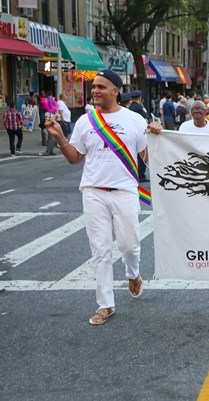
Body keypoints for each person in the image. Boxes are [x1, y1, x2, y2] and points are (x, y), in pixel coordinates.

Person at [44, 69, 148, 326]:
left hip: (125, 192)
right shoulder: (85, 122)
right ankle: (105, 304)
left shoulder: (134, 120)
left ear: (116, 91)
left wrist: (158, 135)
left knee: (129, 245)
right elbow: (75, 157)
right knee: (100, 250)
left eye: (101, 86)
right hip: (93, 193)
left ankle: (133, 273)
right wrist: (59, 138)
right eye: (94, 87)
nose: (95, 91)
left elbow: (149, 156)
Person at [128, 90, 150, 182]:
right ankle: (141, 174)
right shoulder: (140, 107)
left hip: (131, 133)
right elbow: (145, 118)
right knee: (142, 154)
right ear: (139, 98)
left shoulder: (130, 107)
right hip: (140, 133)